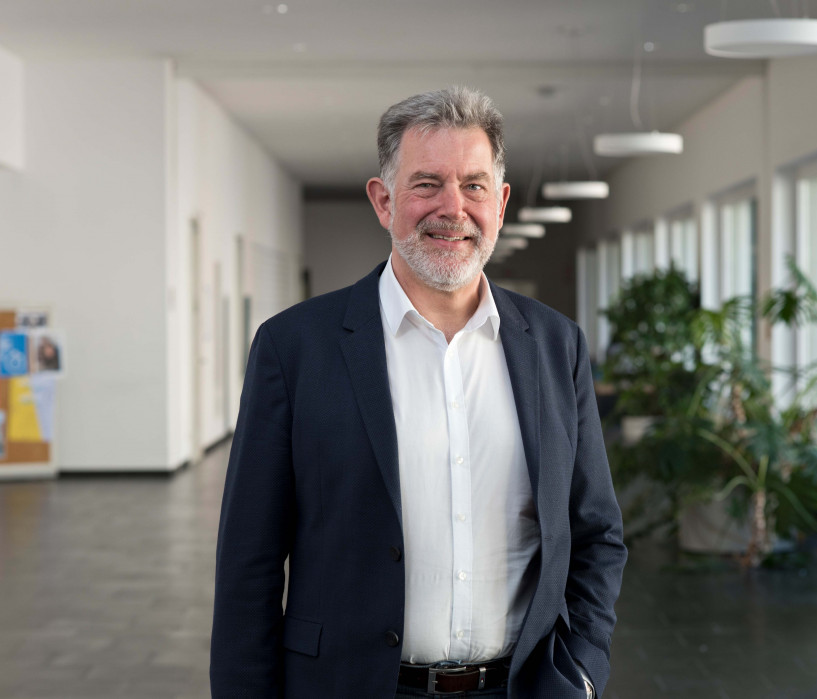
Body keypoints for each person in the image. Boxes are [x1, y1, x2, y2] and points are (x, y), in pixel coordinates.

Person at [210, 86, 627, 699]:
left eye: (474, 185)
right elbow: (249, 558)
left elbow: (596, 533)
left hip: (521, 688)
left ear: (500, 202)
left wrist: (581, 672)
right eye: (427, 184)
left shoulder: (555, 346)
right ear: (384, 201)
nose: (452, 208)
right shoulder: (294, 348)